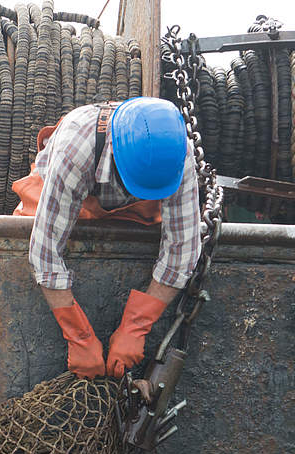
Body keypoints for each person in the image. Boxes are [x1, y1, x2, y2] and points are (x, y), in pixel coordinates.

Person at [14, 97, 200, 378]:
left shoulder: (176, 156)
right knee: (20, 241)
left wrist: (136, 327)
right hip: (63, 184)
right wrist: (79, 336)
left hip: (134, 206)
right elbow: (45, 252)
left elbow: (183, 251)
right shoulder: (76, 150)